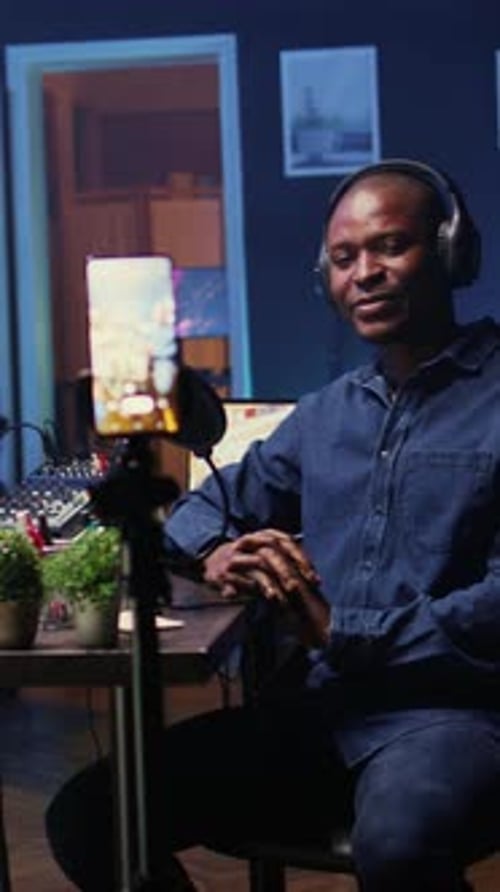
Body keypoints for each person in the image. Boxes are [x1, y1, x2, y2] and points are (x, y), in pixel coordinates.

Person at [45, 158, 500, 892]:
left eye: (390, 247)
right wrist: (219, 550)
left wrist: (341, 630)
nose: (365, 274)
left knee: (401, 843)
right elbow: (198, 513)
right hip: (320, 712)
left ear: (451, 252)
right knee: (92, 816)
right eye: (345, 258)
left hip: (455, 715)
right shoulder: (324, 415)